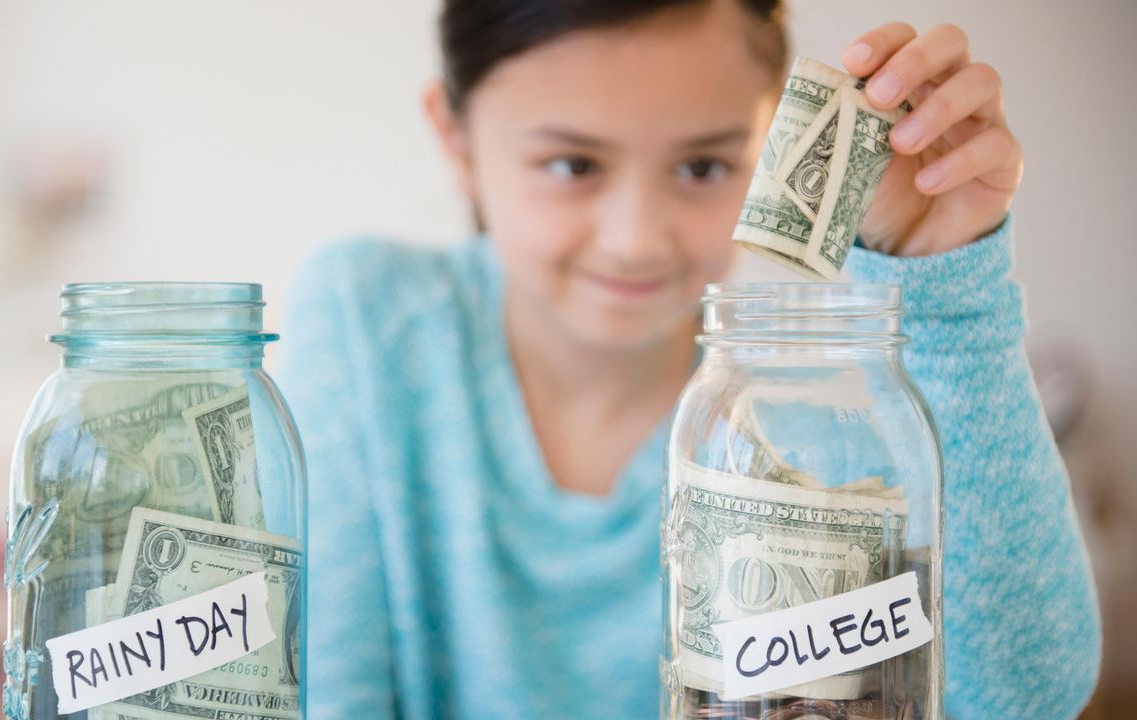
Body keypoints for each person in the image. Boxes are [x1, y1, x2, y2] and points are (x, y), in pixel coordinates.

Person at [275, 1, 1102, 717]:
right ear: (455, 138)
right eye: (573, 165)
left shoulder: (821, 398)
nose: (637, 239)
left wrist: (945, 293)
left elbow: (1022, 700)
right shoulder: (363, 319)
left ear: (775, 140)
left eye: (702, 166)